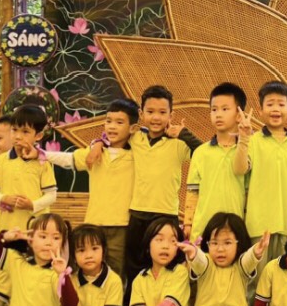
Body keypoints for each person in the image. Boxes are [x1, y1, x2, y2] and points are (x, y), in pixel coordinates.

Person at [44, 98, 138, 282]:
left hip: (122, 225)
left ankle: (114, 301)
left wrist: (100, 141)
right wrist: (42, 154)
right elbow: (69, 159)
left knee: (116, 273)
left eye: (119, 122)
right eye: (108, 121)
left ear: (132, 127)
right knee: (89, 270)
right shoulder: (96, 154)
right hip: (94, 223)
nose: (112, 126)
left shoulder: (137, 154)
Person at [125, 85, 193, 277]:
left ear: (171, 115)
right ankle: (134, 298)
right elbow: (109, 139)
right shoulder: (135, 138)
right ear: (141, 114)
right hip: (138, 212)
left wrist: (183, 133)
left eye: (162, 112)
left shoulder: (179, 144)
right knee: (134, 267)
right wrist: (98, 143)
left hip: (166, 214)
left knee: (167, 267)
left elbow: (203, 153)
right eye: (150, 112)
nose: (156, 117)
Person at [238, 80, 287, 264]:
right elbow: (241, 169)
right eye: (270, 104)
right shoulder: (253, 141)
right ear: (261, 110)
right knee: (256, 276)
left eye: (281, 104)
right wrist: (243, 138)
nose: (276, 109)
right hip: (259, 224)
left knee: (281, 275)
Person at [185, 83, 250, 241]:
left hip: (234, 231)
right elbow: (193, 191)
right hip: (202, 231)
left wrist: (244, 139)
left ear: (239, 115)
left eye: (225, 109)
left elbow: (249, 192)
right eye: (214, 110)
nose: (218, 114)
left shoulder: (248, 150)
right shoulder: (201, 152)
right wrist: (188, 224)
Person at [0, 104, 57, 233]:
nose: (18, 136)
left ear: (38, 136)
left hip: (35, 229)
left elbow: (51, 195)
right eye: (14, 130)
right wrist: (3, 198)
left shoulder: (43, 162)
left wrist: (32, 205)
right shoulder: (1, 161)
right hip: (7, 227)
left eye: (25, 131)